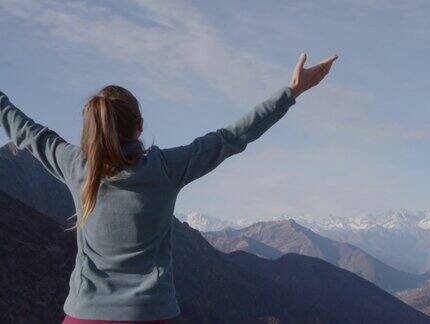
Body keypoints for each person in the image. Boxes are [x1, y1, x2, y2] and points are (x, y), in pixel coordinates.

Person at [0, 52, 338, 323]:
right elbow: (232, 137)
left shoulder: (77, 168)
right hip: (151, 314)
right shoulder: (165, 169)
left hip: (84, 316)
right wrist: (291, 91)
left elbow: (26, 131)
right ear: (140, 125)